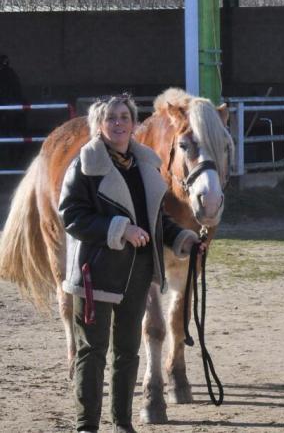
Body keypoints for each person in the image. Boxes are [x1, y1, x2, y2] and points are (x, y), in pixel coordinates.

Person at [59, 94, 203, 433]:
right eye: (111, 118)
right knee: (92, 353)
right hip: (95, 275)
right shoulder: (84, 164)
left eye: (125, 117)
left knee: (128, 352)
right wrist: (119, 229)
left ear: (133, 123)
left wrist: (182, 237)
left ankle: (122, 423)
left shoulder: (144, 165)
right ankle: (87, 427)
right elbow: (71, 215)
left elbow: (154, 218)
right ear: (99, 125)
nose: (119, 123)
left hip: (136, 274)